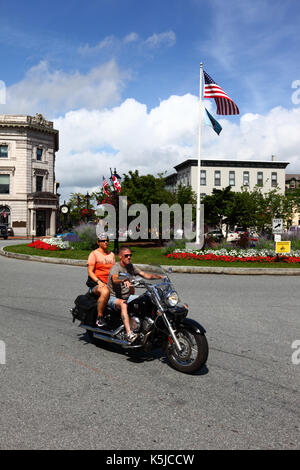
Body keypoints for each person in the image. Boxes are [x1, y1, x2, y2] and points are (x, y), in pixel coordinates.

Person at [107, 246, 164, 343]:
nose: (129, 257)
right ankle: (129, 334)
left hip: (127, 296)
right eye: (126, 255)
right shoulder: (116, 267)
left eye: (130, 255)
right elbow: (114, 279)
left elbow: (145, 275)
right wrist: (123, 279)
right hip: (114, 297)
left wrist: (160, 276)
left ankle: (147, 327)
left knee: (147, 299)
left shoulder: (131, 267)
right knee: (123, 304)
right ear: (120, 256)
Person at [86, 235, 115, 328]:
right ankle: (99, 317)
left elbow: (114, 271)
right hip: (97, 284)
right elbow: (90, 272)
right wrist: (99, 282)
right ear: (98, 242)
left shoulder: (111, 254)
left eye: (107, 240)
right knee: (105, 291)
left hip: (110, 283)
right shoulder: (94, 254)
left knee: (130, 289)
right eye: (103, 241)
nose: (106, 242)